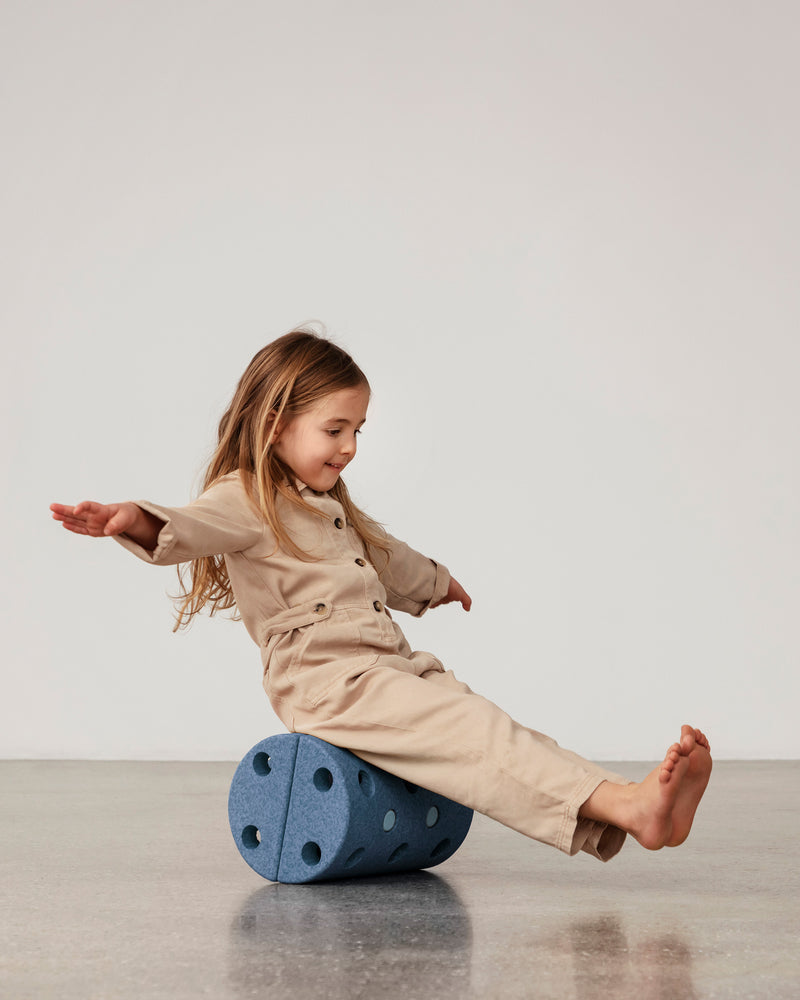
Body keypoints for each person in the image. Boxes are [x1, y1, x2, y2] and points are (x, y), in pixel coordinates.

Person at [50, 327, 711, 861]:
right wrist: (132, 519)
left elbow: (382, 554)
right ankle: (632, 808)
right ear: (276, 423)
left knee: (493, 730)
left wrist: (434, 583)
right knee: (471, 732)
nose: (350, 448)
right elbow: (190, 526)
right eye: (335, 429)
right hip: (327, 682)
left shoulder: (327, 504)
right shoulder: (246, 498)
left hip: (386, 665)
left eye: (358, 430)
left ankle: (622, 805)